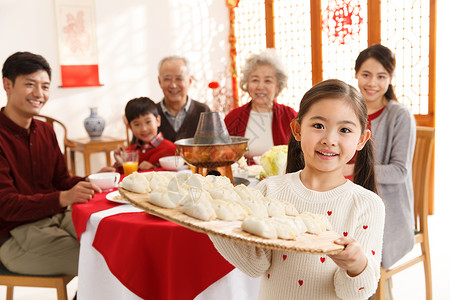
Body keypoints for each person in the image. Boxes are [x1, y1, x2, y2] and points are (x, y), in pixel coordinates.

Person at [210, 79, 385, 299]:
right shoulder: (269, 190)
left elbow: (353, 293)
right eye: (318, 125)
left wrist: (356, 263)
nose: (329, 139)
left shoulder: (367, 204)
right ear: (297, 129)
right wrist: (214, 223)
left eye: (344, 130)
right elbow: (256, 266)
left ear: (361, 140)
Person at [0, 51, 113, 276]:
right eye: (30, 84)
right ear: (7, 85)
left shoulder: (46, 131)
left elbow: (61, 181)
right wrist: (63, 198)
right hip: (13, 236)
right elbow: (6, 205)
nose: (39, 94)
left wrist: (91, 180)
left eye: (45, 86)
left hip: (55, 218)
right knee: (101, 264)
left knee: (114, 244)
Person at [352, 44, 417, 298]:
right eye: (366, 74)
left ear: (390, 79)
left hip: (386, 213)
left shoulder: (399, 116)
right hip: (351, 199)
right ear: (356, 74)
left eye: (381, 76)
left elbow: (399, 171)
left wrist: (353, 168)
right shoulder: (350, 110)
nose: (372, 83)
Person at [224, 49, 297, 159]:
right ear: (247, 84)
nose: (260, 87)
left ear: (277, 86)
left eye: (268, 81)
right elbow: (221, 156)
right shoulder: (234, 117)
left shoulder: (290, 116)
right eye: (255, 80)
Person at [113, 97, 177, 172]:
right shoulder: (129, 152)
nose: (144, 129)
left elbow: (176, 175)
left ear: (158, 121)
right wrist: (120, 163)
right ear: (130, 127)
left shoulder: (172, 150)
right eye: (137, 124)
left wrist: (153, 169)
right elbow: (121, 177)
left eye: (148, 122)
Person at [156, 55, 211, 142]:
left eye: (179, 79)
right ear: (159, 81)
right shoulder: (150, 113)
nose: (173, 85)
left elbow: (214, 149)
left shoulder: (203, 111)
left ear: (190, 81)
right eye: (167, 79)